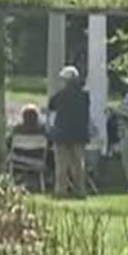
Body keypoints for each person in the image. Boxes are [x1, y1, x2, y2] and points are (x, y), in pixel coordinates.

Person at [47, 65, 91, 199]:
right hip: (79, 133)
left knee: (61, 164)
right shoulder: (84, 96)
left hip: (61, 133)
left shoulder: (60, 95)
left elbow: (51, 106)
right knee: (78, 164)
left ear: (65, 80)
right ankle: (80, 191)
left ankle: (61, 190)